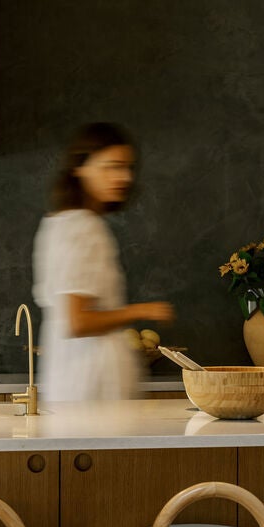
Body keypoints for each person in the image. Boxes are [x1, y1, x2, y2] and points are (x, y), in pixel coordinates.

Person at [32, 122, 174, 403]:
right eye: (112, 167)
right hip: (91, 386)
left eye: (128, 168)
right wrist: (142, 310)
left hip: (76, 381)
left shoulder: (62, 223)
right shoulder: (82, 228)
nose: (124, 177)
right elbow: (78, 321)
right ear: (80, 167)